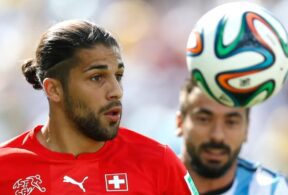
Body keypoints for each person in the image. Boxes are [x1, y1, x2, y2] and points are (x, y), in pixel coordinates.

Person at [0, 20, 198, 195]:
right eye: (96, 77)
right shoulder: (5, 167)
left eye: (118, 75)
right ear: (54, 89)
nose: (116, 91)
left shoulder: (157, 162)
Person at [176, 78, 288, 195]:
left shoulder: (271, 190)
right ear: (180, 123)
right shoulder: (157, 183)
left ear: (247, 129)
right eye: (204, 119)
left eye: (231, 122)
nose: (217, 135)